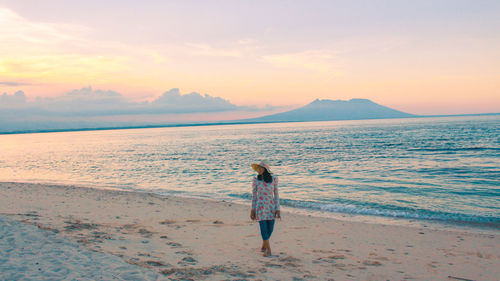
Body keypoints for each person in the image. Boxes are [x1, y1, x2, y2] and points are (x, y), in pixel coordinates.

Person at [250, 160, 280, 257]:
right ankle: (269, 250)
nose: (259, 169)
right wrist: (252, 209)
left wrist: (277, 208)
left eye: (261, 167)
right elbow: (254, 196)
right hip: (260, 207)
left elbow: (276, 195)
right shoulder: (256, 180)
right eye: (258, 168)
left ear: (266, 169)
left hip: (271, 207)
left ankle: (263, 245)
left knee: (270, 229)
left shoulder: (274, 179)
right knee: (263, 229)